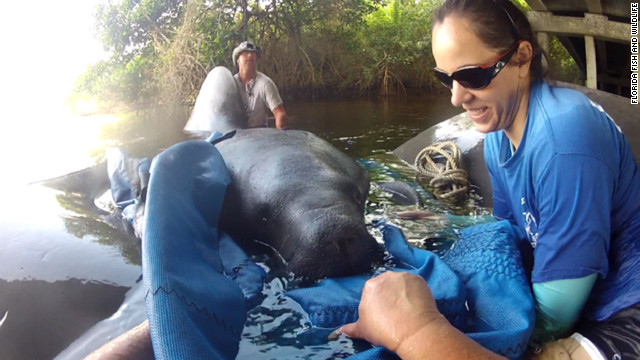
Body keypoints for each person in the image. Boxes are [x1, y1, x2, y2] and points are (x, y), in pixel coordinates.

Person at [338, 0, 640, 359]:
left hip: (626, 305)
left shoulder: (565, 139)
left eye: (472, 76)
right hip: (586, 292)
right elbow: (512, 231)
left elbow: (555, 314)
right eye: (446, 78)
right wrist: (451, 224)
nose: (456, 97)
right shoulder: (499, 137)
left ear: (522, 57)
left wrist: (432, 329)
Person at [232, 40, 288, 129]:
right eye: (245, 53)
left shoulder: (266, 83)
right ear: (237, 59)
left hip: (260, 135)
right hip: (236, 134)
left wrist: (280, 134)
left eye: (253, 53)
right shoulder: (230, 84)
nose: (250, 55)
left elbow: (279, 113)